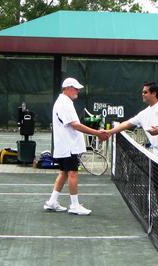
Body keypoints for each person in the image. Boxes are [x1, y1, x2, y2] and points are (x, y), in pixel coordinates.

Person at [106, 82, 158, 220]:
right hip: (156, 155)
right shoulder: (144, 114)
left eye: (145, 92)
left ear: (154, 93)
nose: (143, 94)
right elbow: (126, 124)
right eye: (143, 92)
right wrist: (109, 132)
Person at [43, 77, 109, 215]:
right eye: (75, 88)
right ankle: (74, 206)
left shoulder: (64, 102)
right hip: (68, 147)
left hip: (66, 146)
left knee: (64, 173)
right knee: (72, 173)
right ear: (67, 88)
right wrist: (97, 133)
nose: (78, 90)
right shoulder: (64, 103)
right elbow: (75, 125)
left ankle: (52, 202)